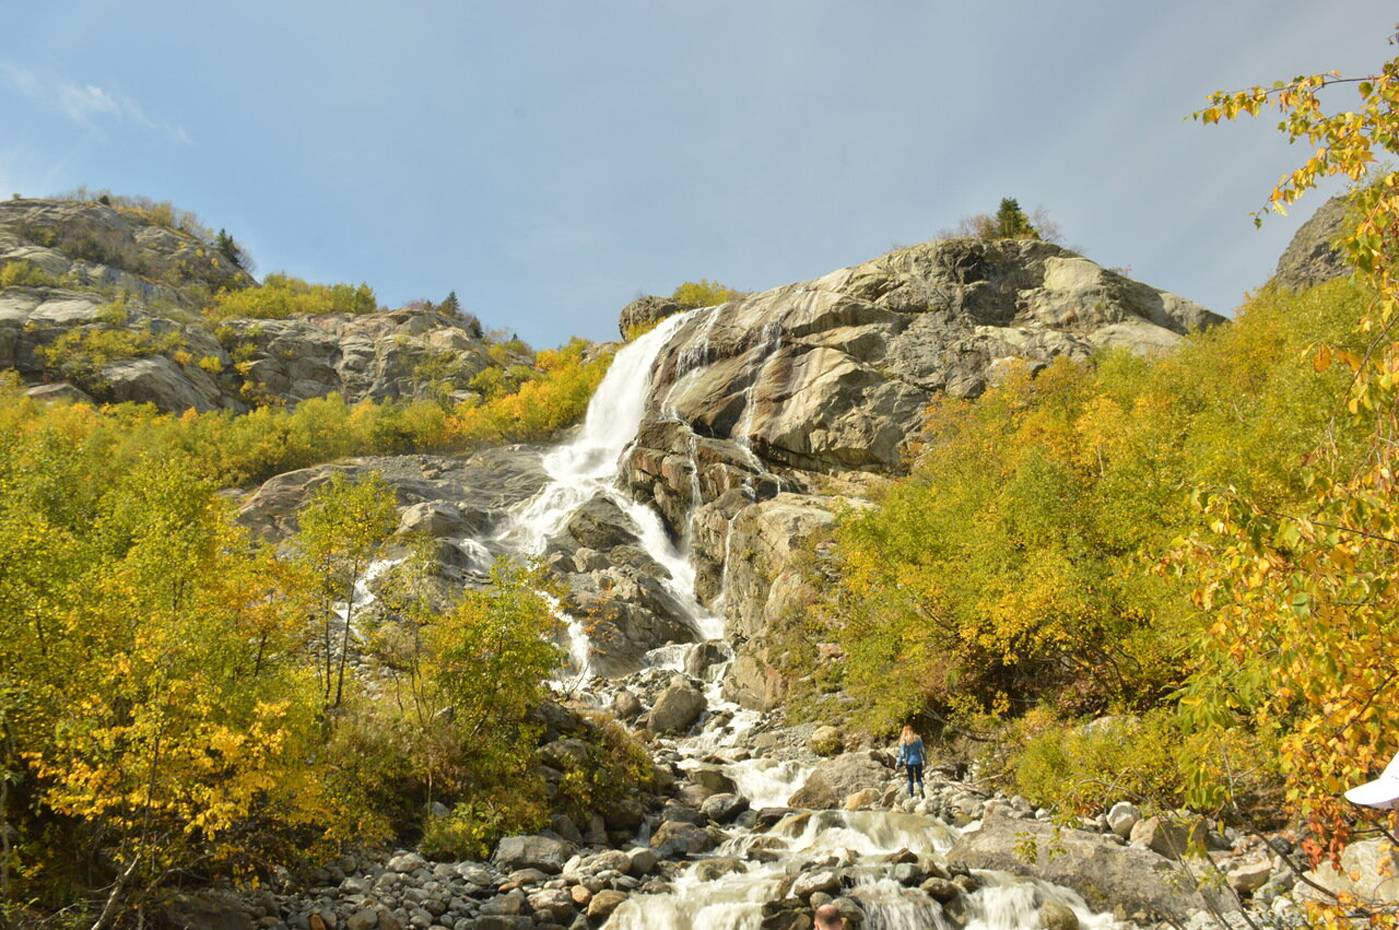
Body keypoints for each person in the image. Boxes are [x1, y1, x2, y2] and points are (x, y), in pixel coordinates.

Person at [895, 724, 925, 799]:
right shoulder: (918, 738)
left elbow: (902, 754)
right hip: (918, 761)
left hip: (909, 762)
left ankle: (911, 796)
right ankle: (921, 789)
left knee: (910, 779)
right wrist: (925, 760)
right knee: (918, 778)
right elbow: (923, 750)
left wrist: (898, 763)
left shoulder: (904, 740)